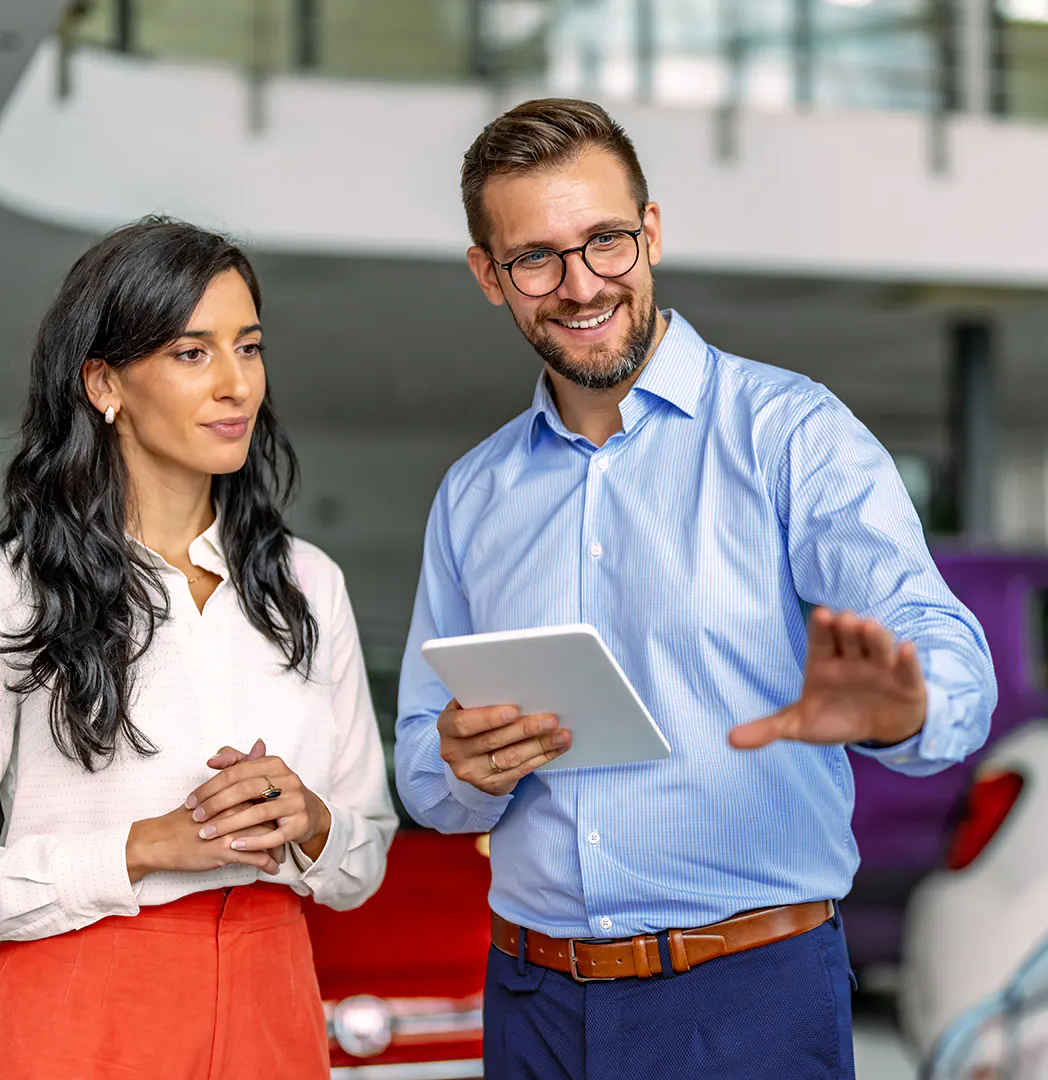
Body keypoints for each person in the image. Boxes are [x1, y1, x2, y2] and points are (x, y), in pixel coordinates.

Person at [394, 99, 998, 1079]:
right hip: (532, 1002)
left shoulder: (789, 433)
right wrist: (465, 764)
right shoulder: (476, 494)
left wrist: (906, 704)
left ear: (654, 233)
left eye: (606, 242)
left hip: (747, 1002)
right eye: (537, 259)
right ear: (489, 277)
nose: (582, 285)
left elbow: (939, 643)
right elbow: (427, 771)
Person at [0, 217, 396, 1079]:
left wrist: (310, 822)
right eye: (192, 353)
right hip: (80, 1005)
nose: (237, 384)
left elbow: (362, 861)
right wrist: (143, 847)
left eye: (250, 346)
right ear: (104, 382)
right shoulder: (5, 591)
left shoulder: (311, 585)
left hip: (274, 1002)